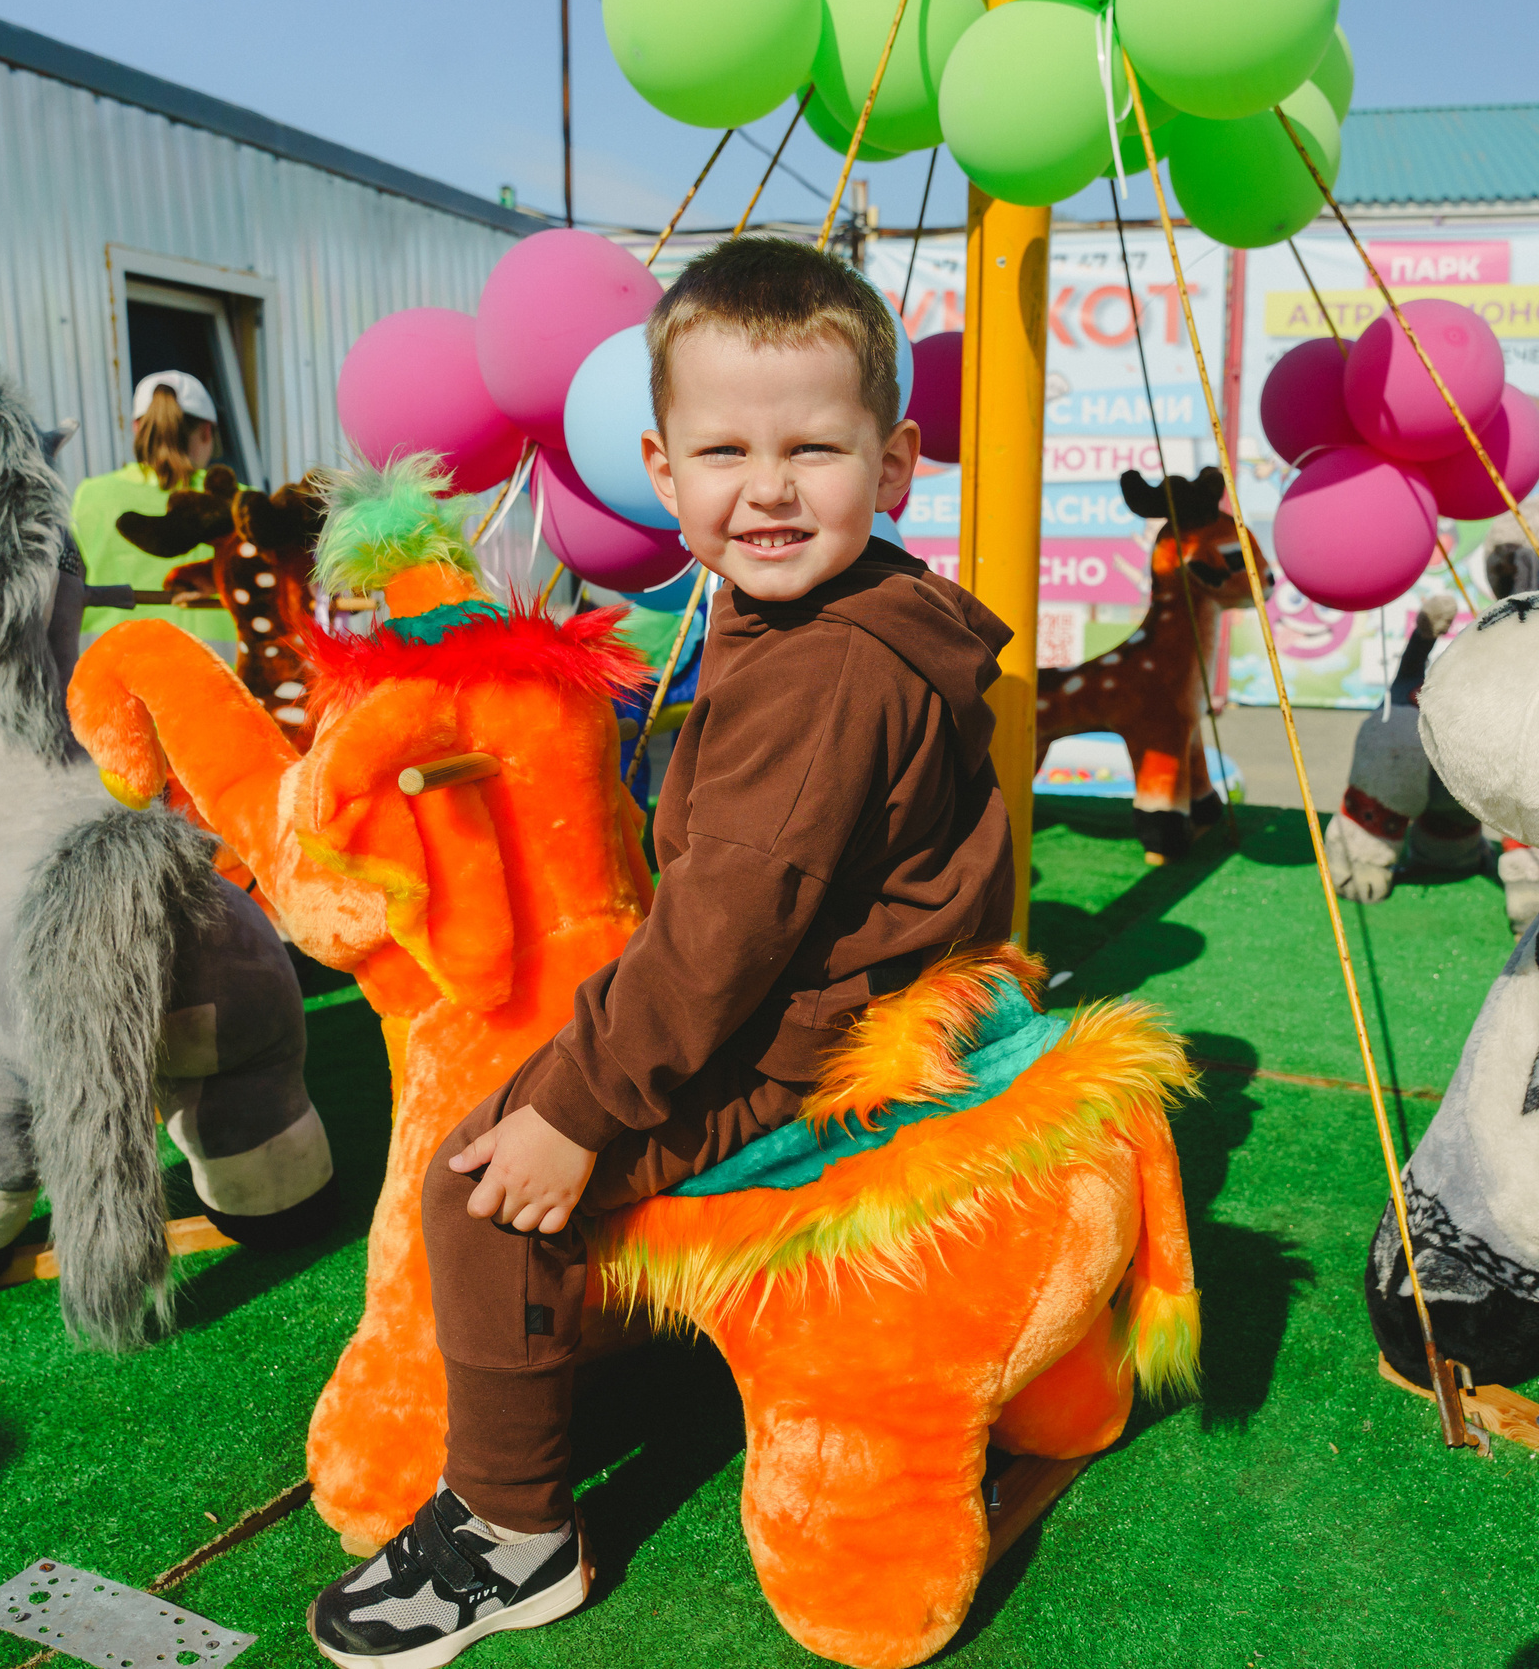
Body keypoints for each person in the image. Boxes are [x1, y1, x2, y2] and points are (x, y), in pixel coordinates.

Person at [307, 237, 1013, 1667]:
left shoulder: (823, 669)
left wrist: (578, 1107)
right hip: (843, 985)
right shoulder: (827, 609)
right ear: (662, 467)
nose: (768, 489)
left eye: (813, 449)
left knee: (475, 1181)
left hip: (811, 1032)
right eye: (726, 451)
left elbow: (725, 928)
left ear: (892, 465)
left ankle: (513, 1531)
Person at [69, 370, 240, 653]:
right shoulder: (238, 503)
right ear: (207, 432)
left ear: (137, 428)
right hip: (215, 674)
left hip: (110, 670)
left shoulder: (90, 496)